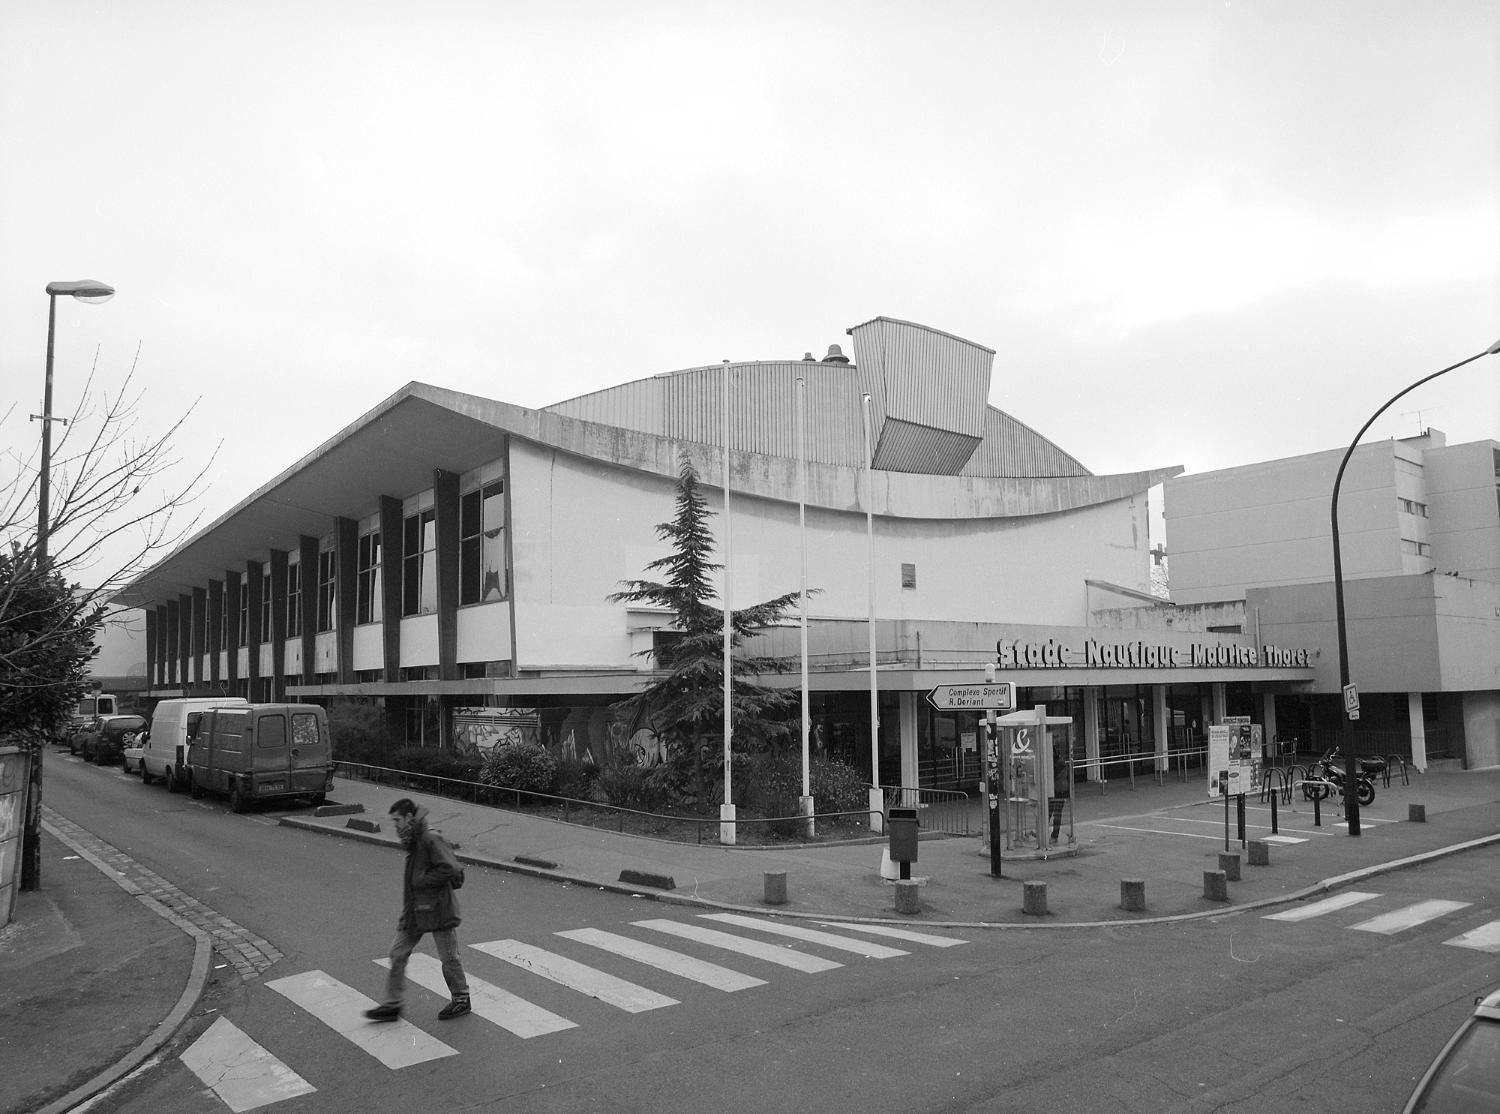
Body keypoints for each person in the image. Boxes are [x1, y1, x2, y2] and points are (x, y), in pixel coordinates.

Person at [364, 798, 471, 1022]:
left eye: (397, 820)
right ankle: (393, 1005)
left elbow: (450, 869)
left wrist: (422, 881)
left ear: (409, 818)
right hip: (416, 911)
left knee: (449, 957)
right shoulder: (413, 838)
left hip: (438, 908)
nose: (395, 826)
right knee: (397, 952)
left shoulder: (429, 837)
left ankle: (461, 999)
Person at [1048, 739, 1071, 841]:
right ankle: (1048, 833)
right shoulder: (1058, 761)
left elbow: (1054, 775)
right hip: (1057, 790)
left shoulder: (1058, 763)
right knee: (1050, 812)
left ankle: (1054, 835)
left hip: (1059, 790)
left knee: (1056, 813)